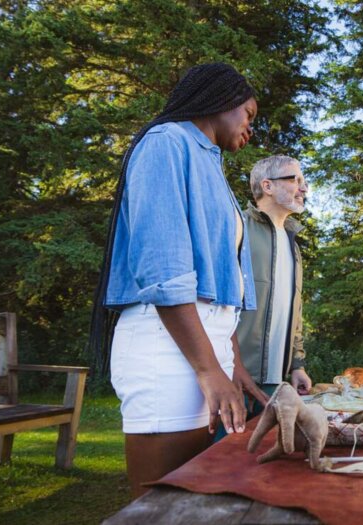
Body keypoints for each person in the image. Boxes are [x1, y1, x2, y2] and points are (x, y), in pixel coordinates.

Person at [87, 63, 265, 497]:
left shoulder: (211, 164)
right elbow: (164, 270)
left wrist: (232, 364)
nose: (250, 128)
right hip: (167, 348)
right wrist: (209, 369)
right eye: (249, 115)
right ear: (222, 101)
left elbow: (224, 286)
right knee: (158, 504)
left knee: (195, 500)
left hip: (207, 350)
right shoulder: (165, 144)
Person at [235, 155, 311, 408]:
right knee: (224, 449)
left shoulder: (294, 246)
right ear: (267, 186)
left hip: (276, 383)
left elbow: (294, 314)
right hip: (233, 379)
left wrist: (297, 365)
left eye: (304, 180)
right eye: (294, 179)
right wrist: (228, 367)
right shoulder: (238, 227)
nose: (304, 187)